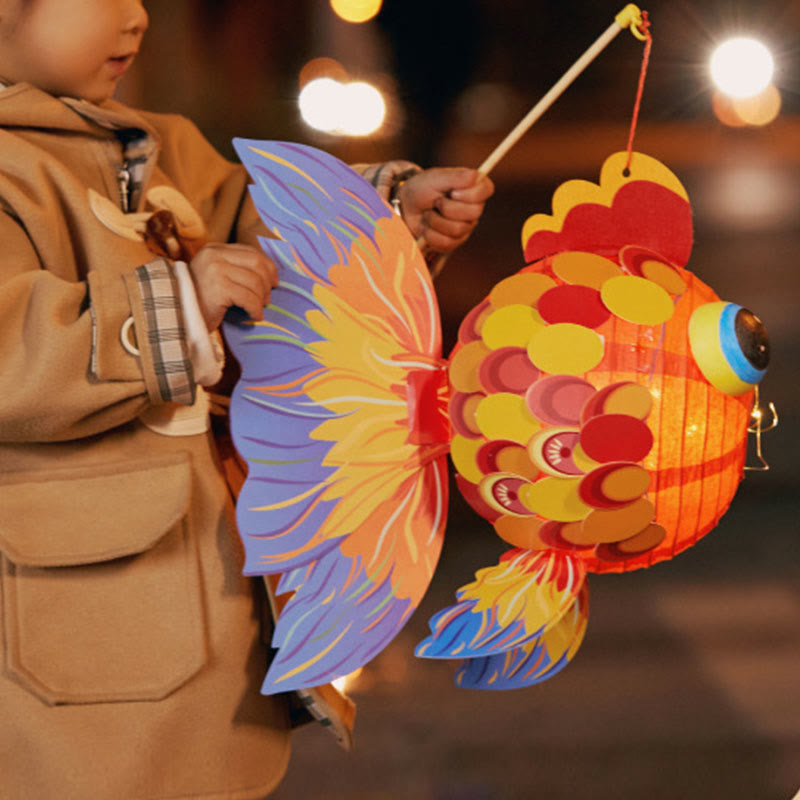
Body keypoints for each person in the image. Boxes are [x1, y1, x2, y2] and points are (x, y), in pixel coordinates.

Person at [0, 1, 494, 798]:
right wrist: (176, 304)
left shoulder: (154, 142)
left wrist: (385, 220)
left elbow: (267, 234)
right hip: (72, 634)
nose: (136, 19)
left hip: (200, 607)